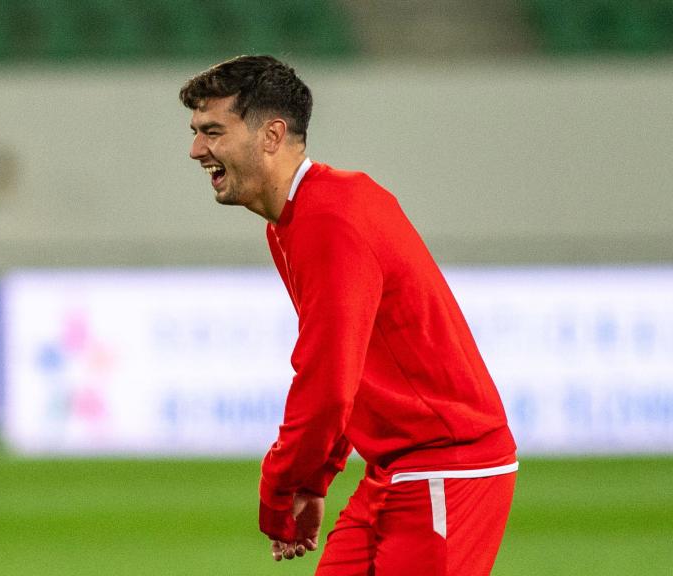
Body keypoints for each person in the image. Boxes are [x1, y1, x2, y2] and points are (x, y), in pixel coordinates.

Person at [179, 55, 518, 575]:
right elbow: (350, 368)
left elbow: (328, 382)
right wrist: (313, 479)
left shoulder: (328, 221)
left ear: (271, 135)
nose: (197, 149)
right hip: (397, 469)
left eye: (212, 132)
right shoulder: (299, 216)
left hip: (445, 467)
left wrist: (280, 487)